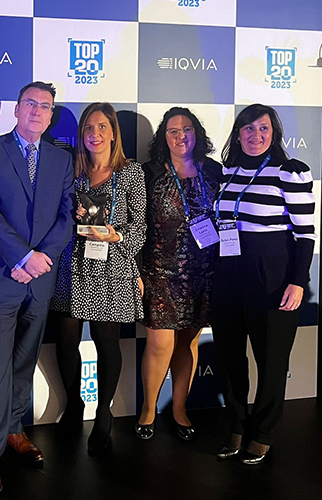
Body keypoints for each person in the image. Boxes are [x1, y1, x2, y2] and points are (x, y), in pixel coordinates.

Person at [0, 81, 74, 496]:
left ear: (51, 116)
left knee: (24, 360)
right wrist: (22, 257)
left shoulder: (62, 158)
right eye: (30, 103)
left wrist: (40, 258)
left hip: (41, 276)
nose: (37, 111)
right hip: (2, 274)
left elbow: (67, 216)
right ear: (16, 110)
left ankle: (14, 428)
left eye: (45, 106)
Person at [211, 104, 316, 464]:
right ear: (238, 133)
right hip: (229, 274)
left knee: (271, 362)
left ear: (274, 134)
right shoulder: (229, 171)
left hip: (272, 278)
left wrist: (298, 282)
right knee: (229, 358)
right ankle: (237, 425)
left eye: (263, 128)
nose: (255, 135)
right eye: (248, 128)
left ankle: (264, 431)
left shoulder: (290, 171)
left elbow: (305, 234)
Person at [49, 102, 146, 452]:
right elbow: (53, 215)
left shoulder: (131, 173)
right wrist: (71, 213)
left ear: (114, 132)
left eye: (102, 127)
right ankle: (74, 404)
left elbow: (140, 227)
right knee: (65, 341)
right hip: (72, 265)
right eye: (89, 128)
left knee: (107, 343)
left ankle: (104, 413)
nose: (95, 134)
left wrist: (116, 235)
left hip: (113, 267)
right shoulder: (71, 170)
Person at [136, 107, 222, 441]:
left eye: (187, 129)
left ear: (196, 133)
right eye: (173, 130)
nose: (181, 136)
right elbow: (136, 224)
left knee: (188, 342)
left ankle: (180, 409)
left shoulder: (213, 171)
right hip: (159, 272)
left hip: (203, 274)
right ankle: (148, 410)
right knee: (160, 344)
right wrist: (136, 271)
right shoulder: (150, 173)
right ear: (164, 137)